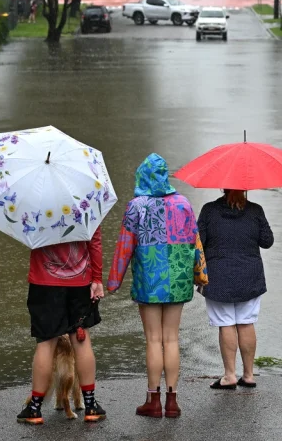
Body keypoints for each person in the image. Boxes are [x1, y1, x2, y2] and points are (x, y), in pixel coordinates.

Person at [107, 154, 208, 419]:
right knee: (172, 338)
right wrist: (201, 275)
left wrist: (113, 282)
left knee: (153, 339)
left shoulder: (135, 206)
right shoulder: (183, 203)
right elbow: (194, 242)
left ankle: (153, 401)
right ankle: (172, 402)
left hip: (149, 280)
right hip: (178, 278)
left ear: (142, 176)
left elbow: (124, 247)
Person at [17, 227, 106, 424]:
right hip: (80, 281)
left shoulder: (34, 200)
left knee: (46, 343)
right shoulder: (87, 199)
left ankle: (34, 409)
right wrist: (97, 278)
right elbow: (95, 241)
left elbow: (27, 236)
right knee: (81, 341)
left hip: (44, 282)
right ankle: (90, 406)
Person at [197, 189, 273, 390]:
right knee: (247, 322)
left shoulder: (209, 210)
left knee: (226, 323)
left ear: (223, 187)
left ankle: (229, 375)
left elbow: (198, 243)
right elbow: (267, 241)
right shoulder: (255, 210)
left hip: (218, 275)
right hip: (250, 276)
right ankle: (248, 375)